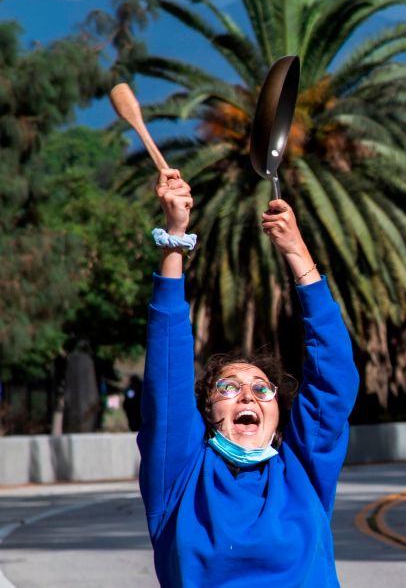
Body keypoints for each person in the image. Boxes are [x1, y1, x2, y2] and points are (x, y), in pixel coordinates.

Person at [138, 169, 359, 587]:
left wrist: (297, 252)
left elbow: (334, 379)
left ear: (277, 412)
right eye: (229, 388)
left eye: (262, 389)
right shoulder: (179, 474)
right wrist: (175, 237)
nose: (248, 397)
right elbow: (166, 373)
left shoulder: (303, 472)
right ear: (207, 410)